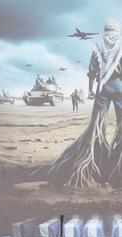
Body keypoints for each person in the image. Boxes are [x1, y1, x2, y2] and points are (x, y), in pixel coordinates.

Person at [49, 19, 122, 187]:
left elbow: (91, 72)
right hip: (119, 88)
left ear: (105, 30)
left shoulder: (98, 46)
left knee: (96, 125)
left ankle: (92, 165)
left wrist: (90, 90)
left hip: (102, 89)